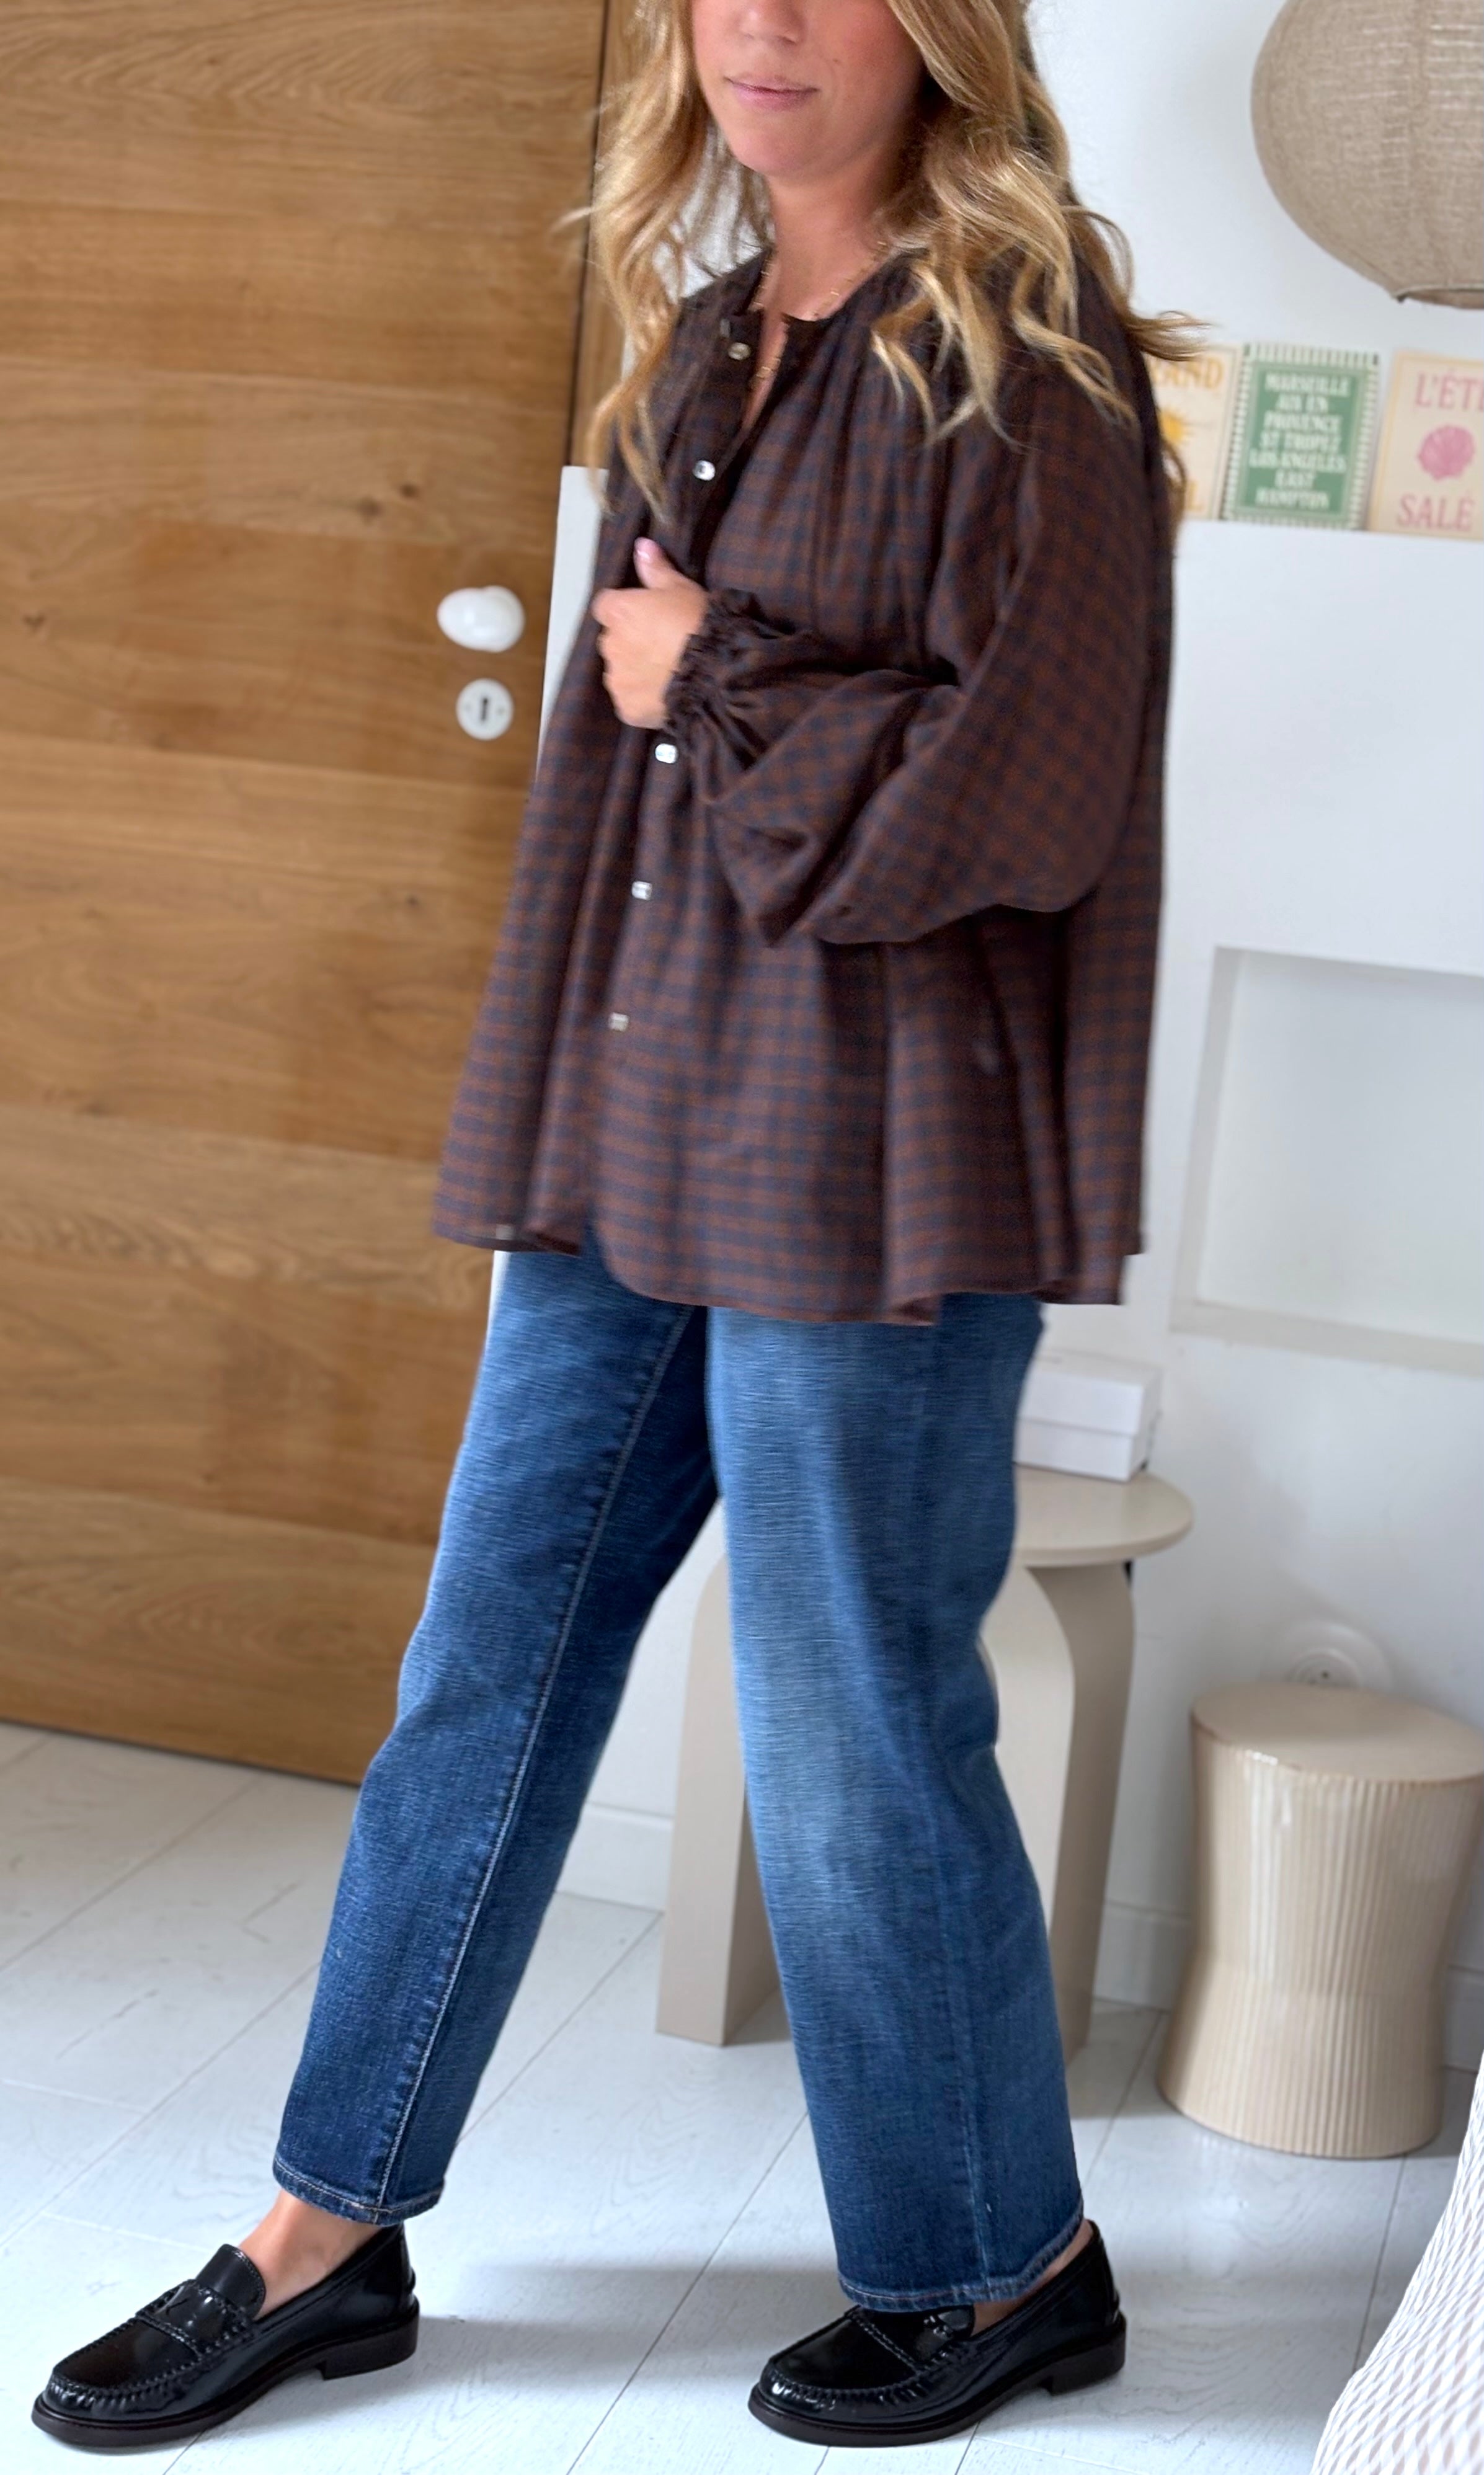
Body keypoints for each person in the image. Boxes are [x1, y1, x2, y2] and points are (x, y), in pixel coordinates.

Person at [33, 0, 1191, 2453]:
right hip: (637, 1113)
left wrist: (713, 670)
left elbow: (1026, 790)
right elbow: (621, 782)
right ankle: (326, 2231)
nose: (758, 21)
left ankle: (1001, 2267)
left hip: (872, 1146)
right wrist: (550, 1074)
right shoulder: (704, 330)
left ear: (936, 28)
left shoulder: (1032, 346)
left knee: (848, 1720)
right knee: (486, 1662)